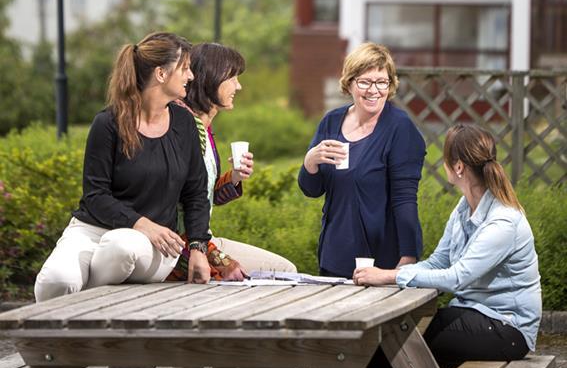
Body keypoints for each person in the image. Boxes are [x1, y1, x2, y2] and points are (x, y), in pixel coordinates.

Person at [34, 32, 211, 302]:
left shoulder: (184, 125)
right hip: (93, 230)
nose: (191, 76)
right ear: (161, 74)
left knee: (121, 246)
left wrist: (198, 247)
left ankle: (82, 310)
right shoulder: (108, 123)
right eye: (185, 68)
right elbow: (95, 196)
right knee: (57, 281)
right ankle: (54, 338)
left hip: (155, 244)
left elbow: (195, 192)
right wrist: (140, 223)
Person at [354, 123, 542, 368]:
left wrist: (389, 277)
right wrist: (394, 274)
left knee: (389, 353)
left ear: (459, 167)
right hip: (471, 314)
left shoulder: (502, 222)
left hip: (506, 329)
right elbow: (438, 262)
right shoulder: (464, 208)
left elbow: (457, 278)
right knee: (387, 341)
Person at [169, 42, 296, 281]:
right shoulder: (184, 128)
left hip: (203, 241)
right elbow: (174, 211)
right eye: (233, 77)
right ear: (211, 78)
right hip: (183, 248)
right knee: (274, 276)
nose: (239, 85)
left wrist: (234, 177)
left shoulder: (205, 129)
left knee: (285, 271)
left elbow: (204, 197)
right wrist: (221, 260)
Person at [298, 42, 426, 279]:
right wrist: (310, 162)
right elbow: (312, 190)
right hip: (335, 254)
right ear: (349, 83)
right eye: (365, 81)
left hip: (382, 259)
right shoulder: (331, 122)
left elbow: (405, 199)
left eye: (381, 82)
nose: (373, 90)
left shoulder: (399, 128)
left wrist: (408, 257)